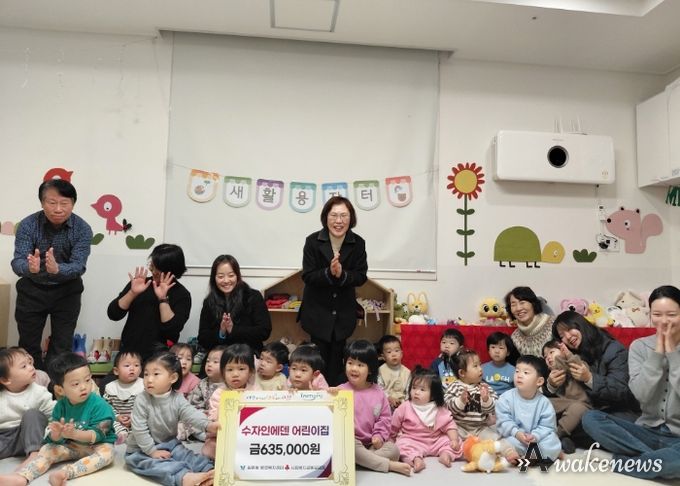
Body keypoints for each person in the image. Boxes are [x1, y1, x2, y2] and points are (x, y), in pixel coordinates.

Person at [581, 285, 680, 480]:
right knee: (591, 419)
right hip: (645, 431)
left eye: (671, 315)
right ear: (650, 315)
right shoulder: (640, 347)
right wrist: (658, 353)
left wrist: (672, 353)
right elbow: (641, 394)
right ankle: (656, 461)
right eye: (657, 314)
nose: (664, 321)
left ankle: (617, 461)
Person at [11, 179, 93, 370]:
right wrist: (29, 268)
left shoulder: (82, 228)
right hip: (32, 289)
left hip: (67, 291)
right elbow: (17, 261)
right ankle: (31, 383)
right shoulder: (28, 225)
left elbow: (79, 266)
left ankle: (55, 385)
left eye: (64, 203)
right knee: (28, 345)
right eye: (52, 202)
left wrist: (58, 269)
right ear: (42, 202)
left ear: (73, 203)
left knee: (61, 346)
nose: (58, 209)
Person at [0, 353, 116, 486]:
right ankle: (22, 477)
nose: (84, 387)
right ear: (60, 390)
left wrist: (75, 434)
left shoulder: (100, 405)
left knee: (108, 454)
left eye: (88, 380)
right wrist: (56, 435)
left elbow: (99, 434)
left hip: (97, 445)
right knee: (47, 449)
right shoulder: (60, 406)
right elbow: (54, 438)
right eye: (76, 384)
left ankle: (65, 473)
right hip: (72, 445)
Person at [299, 196, 368, 385]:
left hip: (343, 314)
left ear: (351, 218)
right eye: (334, 215)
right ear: (326, 217)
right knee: (317, 364)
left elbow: (361, 276)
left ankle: (337, 397)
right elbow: (308, 276)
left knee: (338, 364)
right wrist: (329, 273)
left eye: (344, 215)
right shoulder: (312, 241)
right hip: (317, 313)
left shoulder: (358, 243)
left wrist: (342, 274)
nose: (339, 221)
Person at [125, 352, 218, 486]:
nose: (149, 379)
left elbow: (191, 413)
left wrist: (208, 425)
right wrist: (151, 451)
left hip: (170, 444)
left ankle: (209, 470)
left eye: (156, 374)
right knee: (152, 464)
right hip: (140, 449)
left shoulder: (177, 399)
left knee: (186, 455)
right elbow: (139, 429)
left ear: (173, 378)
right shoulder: (142, 399)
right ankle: (184, 477)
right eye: (146, 374)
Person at [336, 340, 411, 476]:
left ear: (370, 369)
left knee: (394, 450)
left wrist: (379, 436)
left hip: (372, 445)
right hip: (351, 442)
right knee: (348, 444)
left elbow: (384, 418)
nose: (354, 368)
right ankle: (386, 465)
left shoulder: (379, 393)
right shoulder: (339, 391)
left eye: (360, 365)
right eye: (350, 363)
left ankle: (362, 460)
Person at [107, 244, 191, 361]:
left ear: (172, 269)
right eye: (152, 266)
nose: (154, 271)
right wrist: (132, 293)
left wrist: (163, 299)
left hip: (160, 358)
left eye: (158, 269)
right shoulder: (141, 284)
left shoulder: (182, 294)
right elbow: (113, 314)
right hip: (130, 354)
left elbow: (171, 329)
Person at [551, 310, 638, 418]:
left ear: (580, 325)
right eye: (562, 336)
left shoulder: (613, 350)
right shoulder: (572, 355)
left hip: (619, 411)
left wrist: (589, 378)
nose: (568, 337)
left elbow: (622, 390)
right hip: (586, 409)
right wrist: (552, 385)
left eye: (569, 329)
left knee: (589, 418)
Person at [391, 366, 462, 472]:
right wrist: (391, 438)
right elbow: (394, 425)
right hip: (413, 440)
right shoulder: (405, 407)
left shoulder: (438, 408)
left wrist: (454, 440)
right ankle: (416, 459)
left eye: (422, 389)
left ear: (433, 395)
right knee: (401, 445)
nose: (416, 392)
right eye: (414, 388)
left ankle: (446, 454)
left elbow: (449, 425)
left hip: (436, 440)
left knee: (457, 442)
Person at [197, 255, 271, 356]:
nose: (226, 281)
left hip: (248, 354)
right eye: (220, 277)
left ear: (237, 276)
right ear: (214, 278)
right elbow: (202, 338)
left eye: (231, 275)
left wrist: (233, 330)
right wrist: (221, 332)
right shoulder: (209, 301)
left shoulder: (253, 296)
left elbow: (264, 331)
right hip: (219, 356)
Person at [495, 355, 561, 463]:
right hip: (515, 437)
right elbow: (503, 421)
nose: (519, 375)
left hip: (536, 440)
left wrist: (535, 436)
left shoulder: (544, 403)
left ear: (539, 381)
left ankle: (532, 456)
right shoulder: (505, 398)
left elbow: (547, 426)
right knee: (500, 441)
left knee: (552, 441)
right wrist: (517, 433)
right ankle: (514, 455)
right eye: (517, 371)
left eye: (526, 373)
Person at [0, 348, 55, 468]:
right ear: (5, 379)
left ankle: (34, 454)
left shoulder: (38, 392)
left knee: (32, 414)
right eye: (24, 366)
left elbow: (54, 412)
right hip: (4, 438)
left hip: (27, 436)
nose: (31, 368)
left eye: (29, 363)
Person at [203, 343, 256, 459]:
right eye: (230, 369)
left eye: (241, 369)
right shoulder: (219, 393)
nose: (235, 374)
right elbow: (213, 420)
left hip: (247, 434)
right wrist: (229, 400)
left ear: (251, 371)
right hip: (223, 435)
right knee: (210, 448)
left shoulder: (255, 391)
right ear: (223, 372)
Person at [542, 339, 592, 454]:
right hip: (564, 403)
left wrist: (568, 355)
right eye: (545, 357)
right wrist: (551, 383)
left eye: (551, 352)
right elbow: (550, 388)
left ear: (563, 350)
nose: (548, 357)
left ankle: (556, 435)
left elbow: (570, 365)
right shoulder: (552, 373)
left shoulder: (577, 363)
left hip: (583, 404)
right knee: (542, 402)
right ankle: (561, 438)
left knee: (576, 409)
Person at [443, 348, 498, 439]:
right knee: (450, 437)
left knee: (495, 438)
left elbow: (495, 407)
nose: (480, 369)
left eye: (480, 365)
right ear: (462, 373)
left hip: (480, 428)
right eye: (475, 366)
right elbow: (447, 408)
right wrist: (460, 401)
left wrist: (486, 400)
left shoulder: (484, 387)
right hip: (460, 427)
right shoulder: (454, 387)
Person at [102, 350, 144, 445]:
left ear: (141, 369)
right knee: (107, 421)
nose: (132, 368)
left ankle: (134, 436)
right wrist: (117, 417)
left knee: (144, 425)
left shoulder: (143, 385)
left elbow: (146, 406)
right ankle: (121, 434)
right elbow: (107, 406)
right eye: (127, 365)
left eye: (136, 365)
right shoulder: (110, 387)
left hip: (137, 419)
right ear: (116, 371)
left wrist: (133, 418)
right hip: (118, 420)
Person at [504, 286, 554, 357]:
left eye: (522, 302)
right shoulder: (515, 338)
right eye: (513, 305)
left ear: (533, 304)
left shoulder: (553, 324)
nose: (518, 308)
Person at [377, 334, 411, 410]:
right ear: (383, 356)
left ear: (401, 354)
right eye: (389, 352)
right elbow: (379, 388)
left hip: (402, 403)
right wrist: (388, 398)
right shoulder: (381, 370)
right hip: (385, 402)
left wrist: (404, 403)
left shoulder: (407, 372)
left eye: (397, 350)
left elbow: (409, 390)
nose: (394, 354)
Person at [482, 332, 518, 396]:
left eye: (501, 348)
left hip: (506, 399)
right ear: (488, 350)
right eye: (493, 347)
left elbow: (517, 389)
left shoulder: (513, 370)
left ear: (508, 352)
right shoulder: (482, 368)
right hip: (487, 398)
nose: (496, 351)